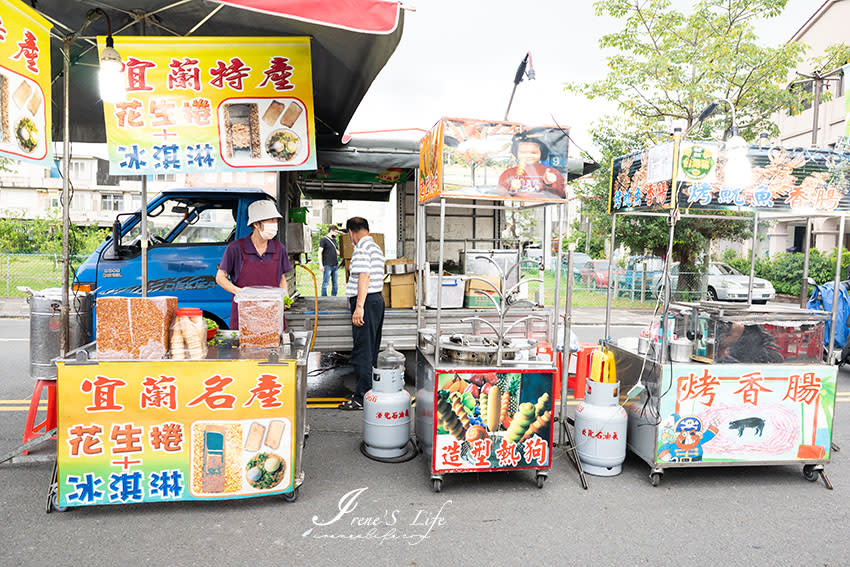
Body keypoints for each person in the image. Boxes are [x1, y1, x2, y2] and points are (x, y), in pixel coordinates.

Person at [215, 199, 291, 329]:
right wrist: (243, 294)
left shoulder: (279, 248)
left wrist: (285, 297)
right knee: (244, 348)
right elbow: (220, 278)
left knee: (273, 347)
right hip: (245, 313)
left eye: (276, 221)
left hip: (271, 313)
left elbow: (282, 279)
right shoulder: (236, 248)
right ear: (256, 224)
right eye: (270, 221)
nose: (274, 225)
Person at [338, 216, 385, 410]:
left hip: (367, 302)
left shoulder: (361, 249)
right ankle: (370, 392)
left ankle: (361, 398)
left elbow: (364, 277)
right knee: (371, 350)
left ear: (351, 231)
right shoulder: (375, 247)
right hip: (376, 301)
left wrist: (359, 307)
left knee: (362, 352)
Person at [498, 135, 566, 198]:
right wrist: (512, 189)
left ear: (541, 153)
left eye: (534, 153)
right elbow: (500, 195)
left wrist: (549, 184)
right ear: (516, 153)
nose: (528, 156)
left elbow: (562, 194)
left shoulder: (551, 172)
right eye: (523, 152)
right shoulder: (508, 173)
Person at [318, 225, 340, 296]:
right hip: (327, 265)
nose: (336, 234)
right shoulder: (323, 240)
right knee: (325, 283)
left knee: (335, 283)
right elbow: (319, 252)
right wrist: (321, 265)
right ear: (331, 231)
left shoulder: (334, 240)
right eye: (336, 232)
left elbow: (337, 252)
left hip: (335, 265)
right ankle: (324, 297)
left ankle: (334, 297)